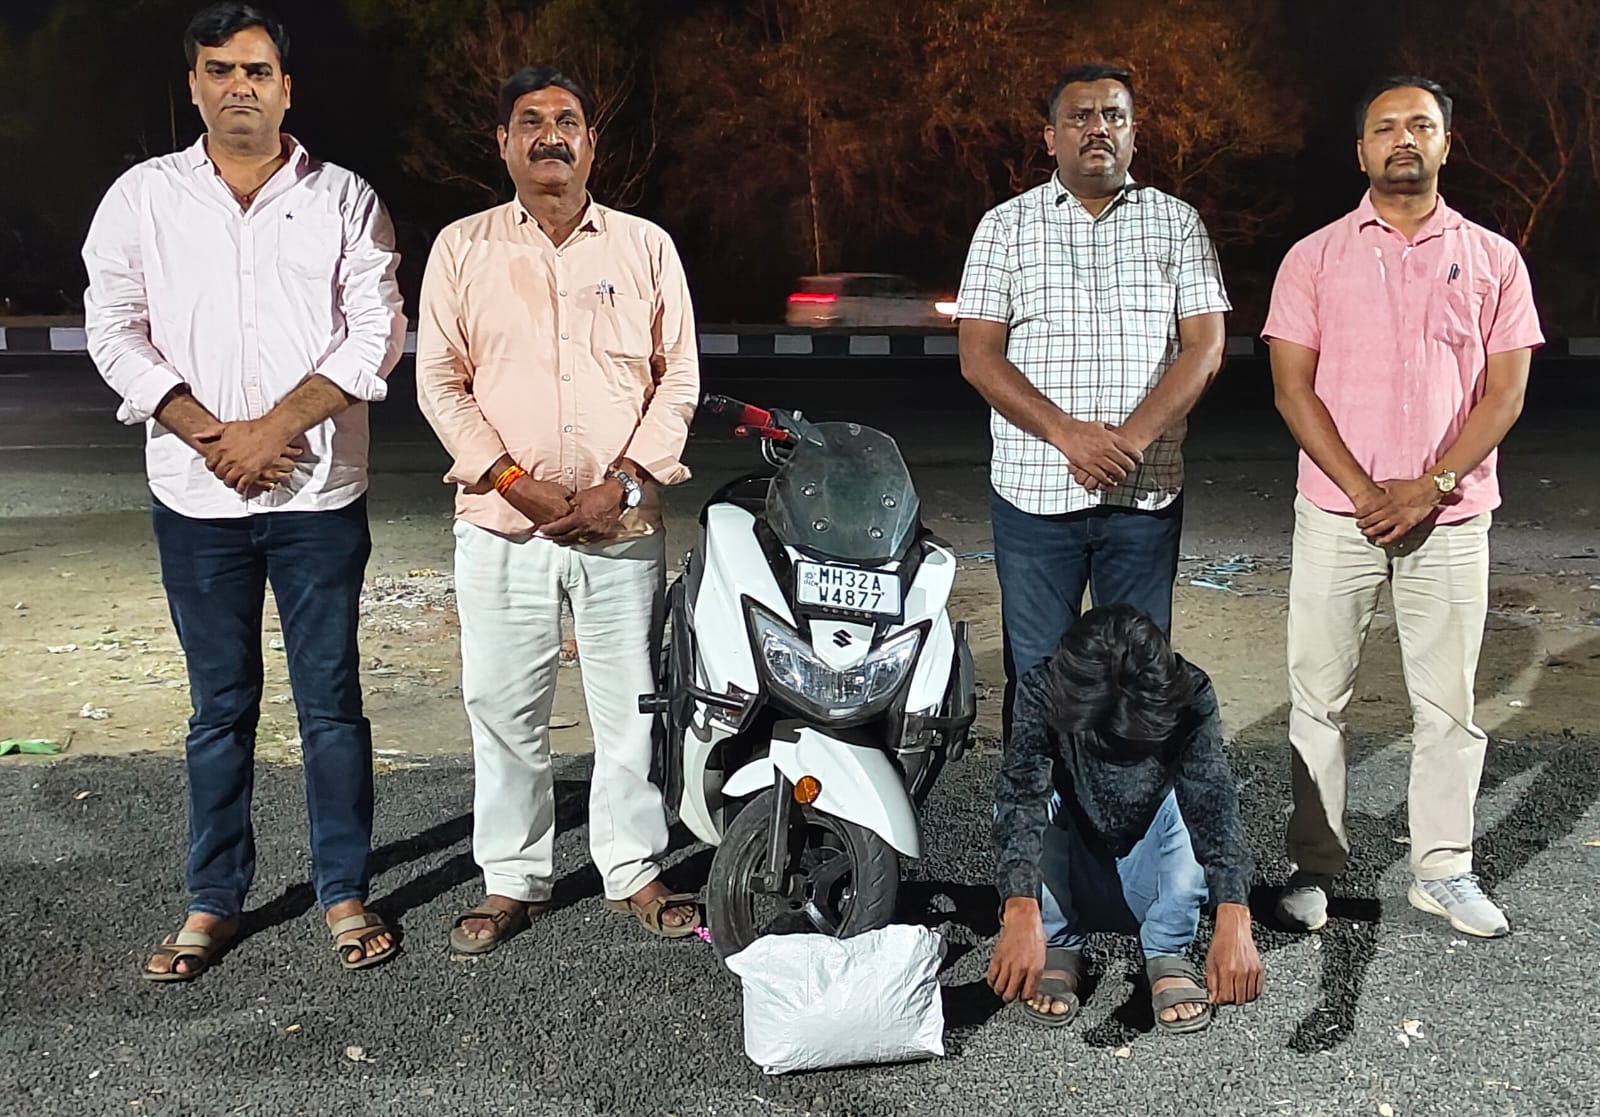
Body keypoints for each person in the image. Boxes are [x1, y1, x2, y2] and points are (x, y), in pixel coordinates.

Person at [83, 2, 407, 980]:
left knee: (331, 705)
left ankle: (342, 888)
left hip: (318, 497)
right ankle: (214, 898)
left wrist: (272, 429)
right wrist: (210, 434)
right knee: (218, 708)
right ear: (194, 86)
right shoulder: (142, 198)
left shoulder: (343, 198)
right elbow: (114, 328)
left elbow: (376, 330)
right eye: (219, 70)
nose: (239, 87)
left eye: (257, 71)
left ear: (286, 89)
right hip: (198, 499)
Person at [415, 65, 702, 954]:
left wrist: (624, 480)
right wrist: (510, 479)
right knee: (503, 708)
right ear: (503, 143)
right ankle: (514, 877)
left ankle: (632, 867)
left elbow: (678, 378)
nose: (551, 135)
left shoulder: (645, 247)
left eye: (567, 120)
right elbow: (439, 381)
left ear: (591, 143)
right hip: (505, 524)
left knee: (632, 708)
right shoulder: (461, 248)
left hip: (621, 523)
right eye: (531, 121)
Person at [1263, 76, 1544, 939]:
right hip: (1336, 514)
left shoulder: (1494, 259)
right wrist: (1362, 490)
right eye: (1385, 127)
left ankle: (1444, 868)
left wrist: (1432, 484)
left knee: (1448, 705)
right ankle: (1315, 866)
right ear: (1361, 152)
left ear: (1446, 144)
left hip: (1449, 518)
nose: (1404, 139)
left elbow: (1505, 393)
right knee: (1317, 698)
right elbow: (1292, 389)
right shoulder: (1314, 257)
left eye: (1421, 125)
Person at [954, 61, 1230, 751]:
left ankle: (1129, 813)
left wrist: (1126, 442)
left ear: (1134, 134)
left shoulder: (1177, 224)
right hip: (1033, 496)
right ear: (1051, 137)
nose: (1097, 128)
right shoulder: (1004, 227)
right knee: (1039, 675)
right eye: (1080, 117)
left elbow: (1204, 348)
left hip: (1143, 494)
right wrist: (1068, 435)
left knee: (1138, 678)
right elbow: (979, 356)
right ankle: (1038, 813)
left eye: (1114, 116)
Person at [987, 605, 1263, 1033]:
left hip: (1154, 875)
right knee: (1026, 796)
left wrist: (1235, 913)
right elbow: (1020, 797)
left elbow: (1214, 805)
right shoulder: (1041, 688)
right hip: (1071, 868)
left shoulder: (1190, 691)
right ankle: (1057, 942)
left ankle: (1167, 950)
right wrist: (1019, 905)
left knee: (1197, 797)